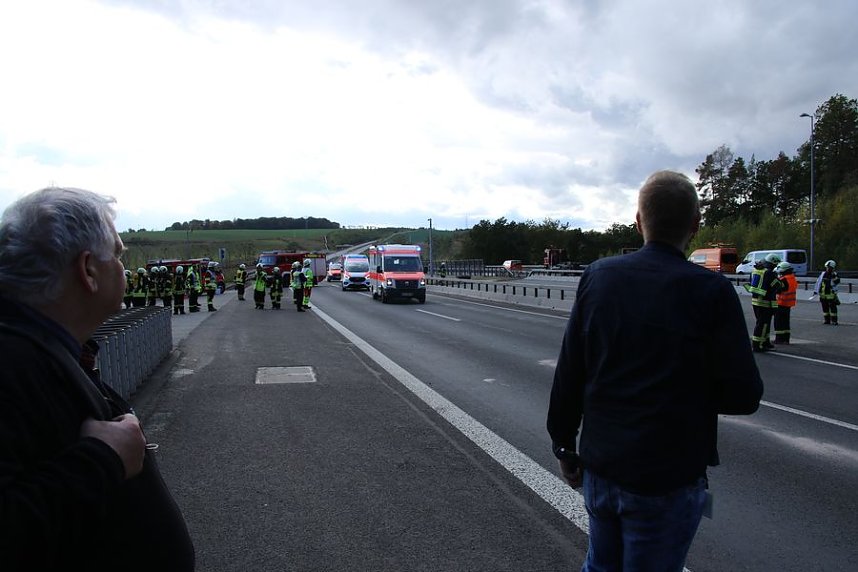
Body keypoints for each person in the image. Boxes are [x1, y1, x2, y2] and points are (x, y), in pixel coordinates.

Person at [547, 170, 763, 572]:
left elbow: (570, 371)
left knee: (600, 565)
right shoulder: (713, 292)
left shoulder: (599, 277)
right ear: (695, 226)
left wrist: (563, 444)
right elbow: (745, 395)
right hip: (668, 476)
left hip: (602, 468)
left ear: (638, 221)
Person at [0, 186, 194, 570]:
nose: (123, 268)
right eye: (117, 255)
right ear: (88, 270)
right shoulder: (11, 364)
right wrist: (102, 460)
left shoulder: (37, 349)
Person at [748, 253, 783, 352]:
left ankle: (765, 342)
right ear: (772, 263)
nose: (775, 267)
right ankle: (757, 345)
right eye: (775, 265)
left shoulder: (755, 270)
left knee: (764, 324)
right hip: (765, 302)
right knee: (762, 324)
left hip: (756, 301)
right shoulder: (769, 273)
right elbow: (777, 286)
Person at [773, 261, 797, 343]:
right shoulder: (792, 278)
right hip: (788, 303)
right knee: (786, 322)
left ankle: (779, 339)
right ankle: (786, 339)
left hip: (781, 303)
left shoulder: (783, 279)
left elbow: (778, 290)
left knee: (779, 322)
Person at [814, 259, 840, 325]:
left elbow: (837, 282)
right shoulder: (823, 274)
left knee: (833, 308)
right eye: (827, 267)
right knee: (825, 308)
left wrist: (833, 276)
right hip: (823, 294)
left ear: (832, 268)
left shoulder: (835, 274)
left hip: (831, 295)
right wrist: (816, 291)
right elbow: (818, 282)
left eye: (829, 267)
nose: (827, 269)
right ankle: (827, 320)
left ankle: (834, 321)